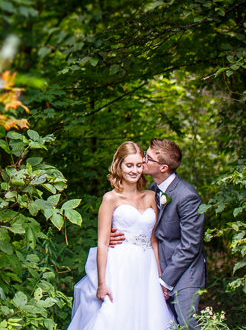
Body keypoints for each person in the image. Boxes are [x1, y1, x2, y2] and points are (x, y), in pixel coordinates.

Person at [67, 141, 174, 330]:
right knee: (115, 316)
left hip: (146, 267)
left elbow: (154, 240)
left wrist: (160, 277)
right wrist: (101, 283)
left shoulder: (151, 196)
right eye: (129, 165)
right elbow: (102, 242)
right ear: (119, 166)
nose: (134, 170)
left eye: (139, 165)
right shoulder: (111, 198)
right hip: (120, 266)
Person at [108, 139, 207, 330]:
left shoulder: (187, 196)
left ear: (163, 168)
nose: (143, 160)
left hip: (184, 273)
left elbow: (190, 246)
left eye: (148, 158)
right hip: (154, 268)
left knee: (188, 325)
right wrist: (118, 235)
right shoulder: (151, 190)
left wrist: (164, 280)